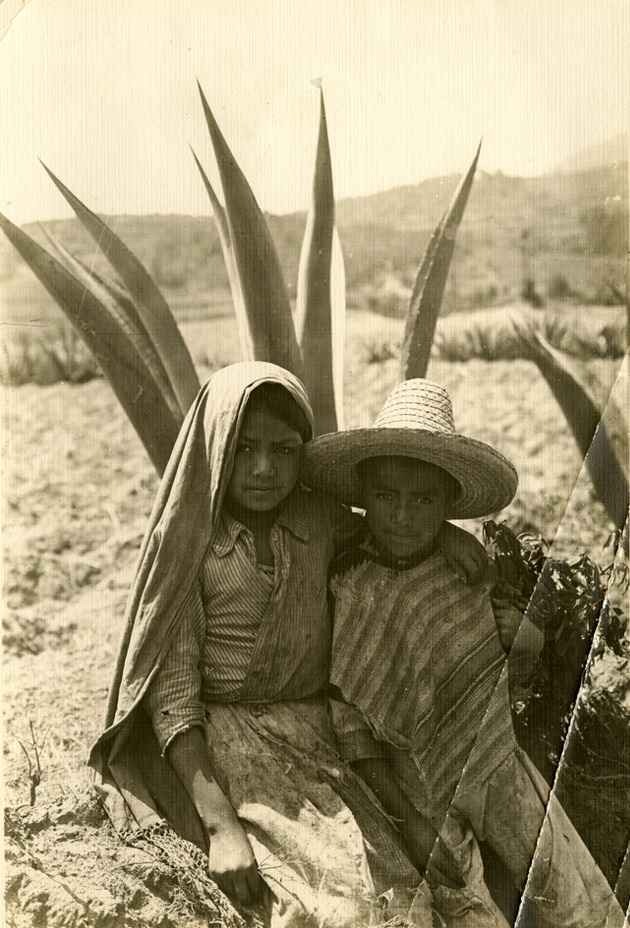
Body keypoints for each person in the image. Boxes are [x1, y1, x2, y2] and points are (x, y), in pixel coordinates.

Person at [89, 362, 490, 928]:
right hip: (225, 736)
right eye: (245, 447)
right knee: (333, 908)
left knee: (407, 893)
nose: (263, 469)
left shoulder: (319, 517)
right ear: (216, 447)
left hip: (319, 728)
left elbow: (386, 521)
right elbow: (174, 697)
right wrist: (222, 827)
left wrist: (444, 531)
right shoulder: (188, 546)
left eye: (284, 450)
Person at [302, 376, 625, 928]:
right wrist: (412, 823)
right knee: (465, 902)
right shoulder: (351, 587)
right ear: (364, 496)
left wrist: (527, 644)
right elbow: (353, 724)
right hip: (414, 788)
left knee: (574, 899)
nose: (403, 516)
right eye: (386, 496)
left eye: (424, 499)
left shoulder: (466, 571)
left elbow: (508, 689)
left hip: (499, 764)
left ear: (450, 502)